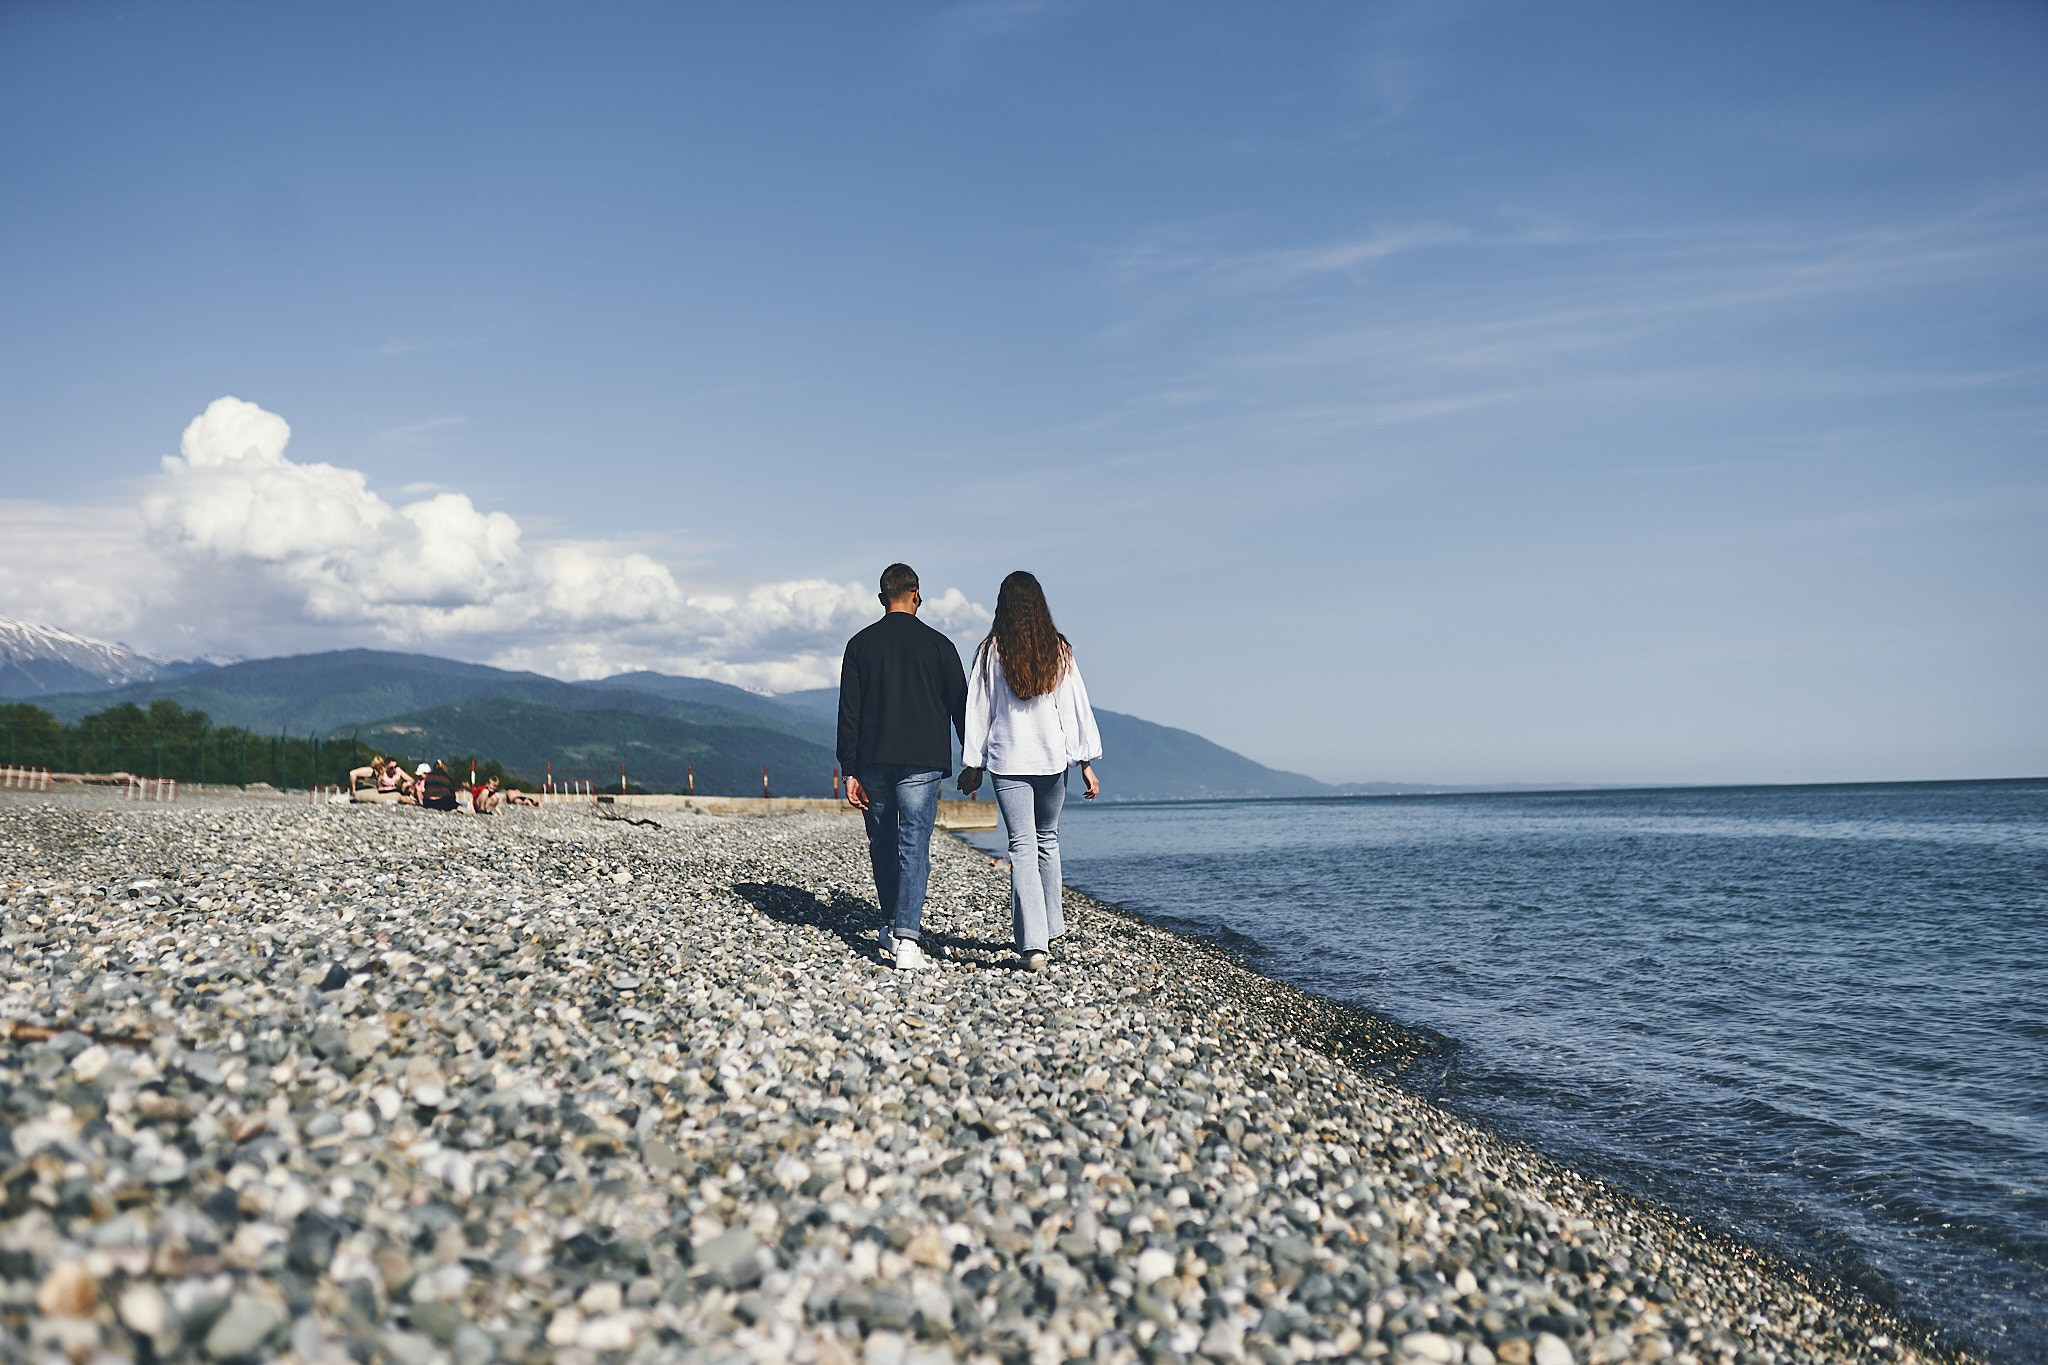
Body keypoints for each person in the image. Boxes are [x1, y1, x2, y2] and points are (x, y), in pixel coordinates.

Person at [958, 571, 1102, 973]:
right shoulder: (1059, 650)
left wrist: (973, 764)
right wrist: (1086, 763)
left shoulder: (990, 652)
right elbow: (1075, 711)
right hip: (1052, 760)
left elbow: (978, 712)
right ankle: (1052, 930)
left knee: (1021, 847)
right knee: (1047, 842)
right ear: (1039, 604)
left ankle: (1034, 945)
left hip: (1009, 761)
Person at [838, 563, 968, 972]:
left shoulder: (859, 645)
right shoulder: (939, 645)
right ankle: (907, 941)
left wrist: (849, 769)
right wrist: (974, 760)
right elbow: (961, 706)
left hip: (873, 759)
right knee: (914, 845)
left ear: (882, 599)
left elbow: (850, 713)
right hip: (922, 760)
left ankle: (892, 923)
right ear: (917, 594)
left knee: (882, 843)